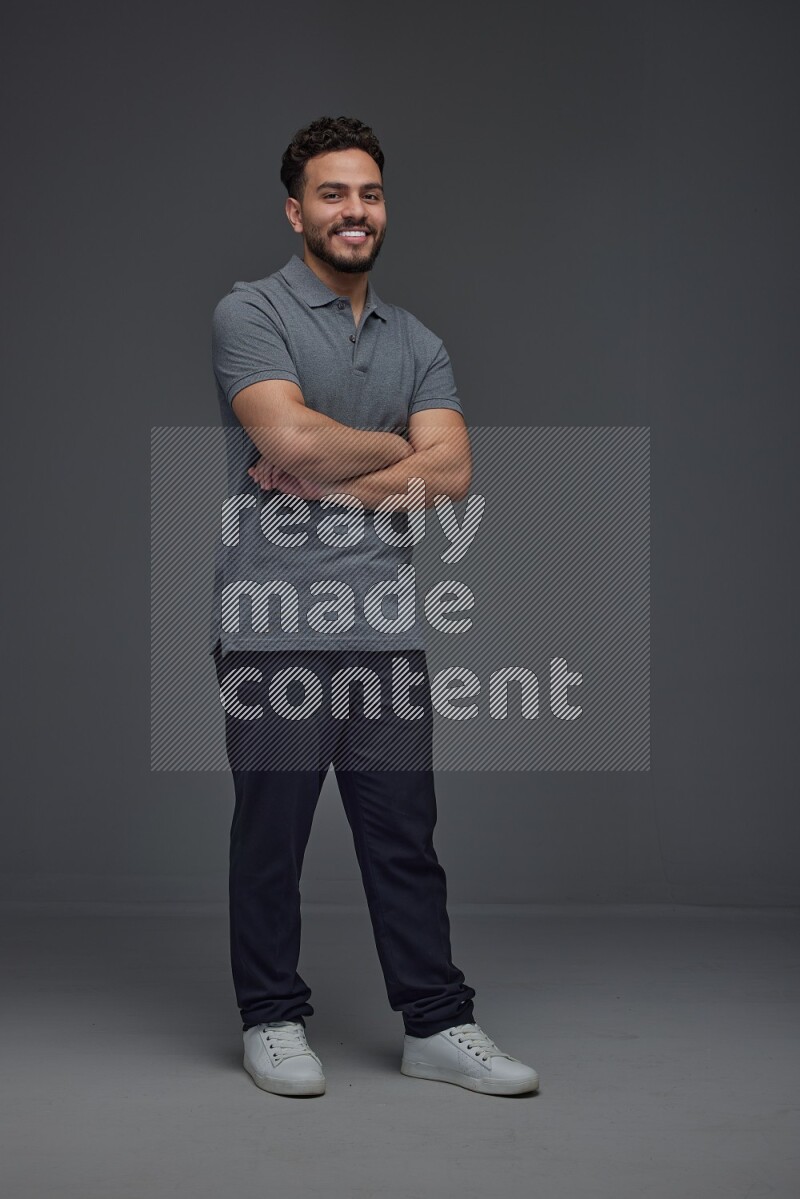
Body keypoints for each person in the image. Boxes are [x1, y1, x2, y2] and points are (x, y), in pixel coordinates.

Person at [209, 115, 539, 1098]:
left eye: (369, 194)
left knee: (404, 834)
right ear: (295, 208)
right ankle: (270, 1016)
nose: (354, 211)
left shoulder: (418, 341)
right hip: (271, 620)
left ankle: (435, 1023)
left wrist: (340, 461)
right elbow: (292, 443)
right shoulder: (249, 312)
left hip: (384, 625)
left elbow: (453, 472)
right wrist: (392, 449)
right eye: (332, 193)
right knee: (271, 831)